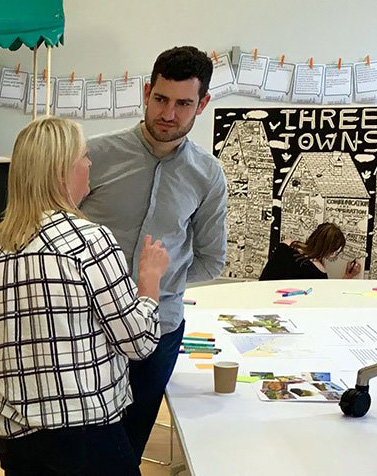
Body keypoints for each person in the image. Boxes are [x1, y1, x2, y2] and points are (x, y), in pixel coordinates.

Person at [80, 45, 228, 461]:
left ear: (202, 105)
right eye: (161, 99)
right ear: (146, 92)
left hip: (159, 331)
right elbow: (54, 232)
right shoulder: (93, 155)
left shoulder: (208, 175)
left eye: (183, 104)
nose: (168, 113)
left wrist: (156, 282)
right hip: (88, 327)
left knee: (131, 441)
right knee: (86, 443)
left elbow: (212, 259)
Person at [0, 117, 169, 476]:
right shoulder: (88, 241)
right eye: (84, 156)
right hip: (86, 437)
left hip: (16, 439)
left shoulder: (3, 246)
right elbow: (138, 341)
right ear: (62, 171)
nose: (90, 164)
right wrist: (150, 281)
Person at [259, 222, 361, 281]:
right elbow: (326, 300)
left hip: (262, 297)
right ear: (328, 251)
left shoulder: (286, 244)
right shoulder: (319, 272)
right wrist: (347, 276)